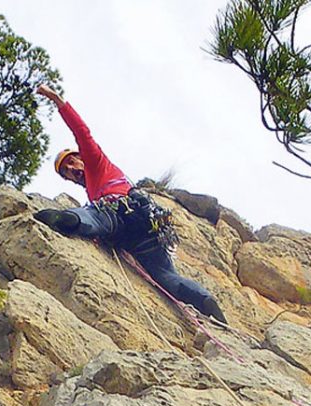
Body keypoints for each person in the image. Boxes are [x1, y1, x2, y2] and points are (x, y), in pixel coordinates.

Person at [34, 84, 227, 324]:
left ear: (81, 157)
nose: (72, 171)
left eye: (72, 163)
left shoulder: (96, 163)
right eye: (67, 173)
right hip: (145, 232)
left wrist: (57, 100)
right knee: (165, 276)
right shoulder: (98, 183)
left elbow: (82, 133)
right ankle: (205, 300)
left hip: (122, 211)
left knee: (95, 216)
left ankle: (68, 220)